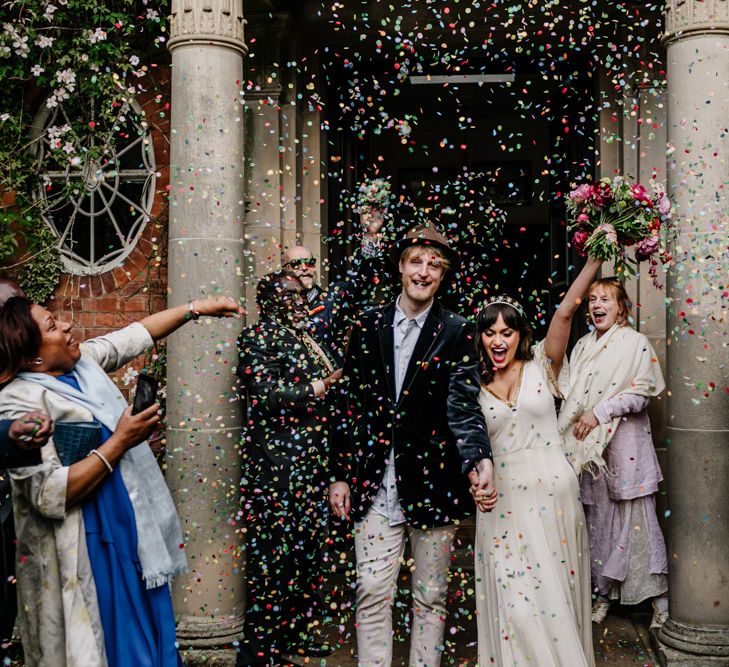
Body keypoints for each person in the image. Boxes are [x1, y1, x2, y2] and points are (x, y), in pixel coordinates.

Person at [0, 294, 242, 667]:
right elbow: (48, 494)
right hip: (89, 544)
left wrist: (196, 308)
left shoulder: (84, 365)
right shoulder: (19, 401)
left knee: (148, 637)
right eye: (51, 326)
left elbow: (136, 333)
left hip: (133, 528)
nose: (65, 325)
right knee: (113, 647)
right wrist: (122, 441)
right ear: (32, 356)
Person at [329, 223, 495, 667]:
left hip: (433, 485)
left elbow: (463, 404)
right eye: (416, 262)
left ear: (443, 276)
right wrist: (341, 473)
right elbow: (351, 401)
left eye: (434, 265)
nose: (424, 272)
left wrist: (478, 458)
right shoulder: (368, 323)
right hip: (374, 485)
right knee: (371, 592)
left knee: (431, 597)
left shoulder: (458, 330)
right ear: (401, 267)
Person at [472, 256, 602, 667]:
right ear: (479, 337)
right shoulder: (471, 384)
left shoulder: (544, 365)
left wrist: (596, 253)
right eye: (490, 332)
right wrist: (476, 479)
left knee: (554, 600)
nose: (498, 340)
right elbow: (469, 443)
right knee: (518, 608)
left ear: (520, 335)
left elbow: (567, 310)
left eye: (506, 332)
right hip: (503, 504)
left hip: (554, 498)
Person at [236, 271, 342, 666]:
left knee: (306, 561)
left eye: (301, 295)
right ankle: (261, 654)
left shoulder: (307, 336)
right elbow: (266, 395)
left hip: (311, 471)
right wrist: (321, 387)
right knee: (271, 569)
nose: (299, 302)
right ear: (268, 300)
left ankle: (295, 638)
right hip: (275, 475)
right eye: (290, 296)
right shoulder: (257, 337)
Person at [557, 277, 668, 628]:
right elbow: (570, 394)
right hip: (589, 451)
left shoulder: (635, 343)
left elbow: (642, 394)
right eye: (591, 299)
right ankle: (603, 595)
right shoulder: (581, 346)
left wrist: (599, 413)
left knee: (640, 524)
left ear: (622, 307)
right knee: (598, 524)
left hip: (627, 447)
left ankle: (660, 606)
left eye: (605, 298)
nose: (596, 304)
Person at [282, 212, 387, 364]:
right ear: (285, 271)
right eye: (297, 264)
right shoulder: (277, 307)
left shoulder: (334, 299)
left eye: (309, 262)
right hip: (297, 386)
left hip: (332, 383)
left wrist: (370, 236)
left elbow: (363, 284)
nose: (305, 268)